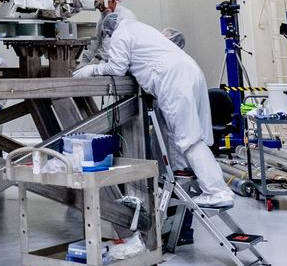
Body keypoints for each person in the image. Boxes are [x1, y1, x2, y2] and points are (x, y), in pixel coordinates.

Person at [74, 11, 234, 209]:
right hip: (190, 72)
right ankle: (190, 175)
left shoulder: (120, 35)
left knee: (189, 139)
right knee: (191, 134)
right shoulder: (141, 28)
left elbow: (117, 68)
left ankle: (216, 191)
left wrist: (93, 69)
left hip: (172, 79)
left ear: (107, 32)